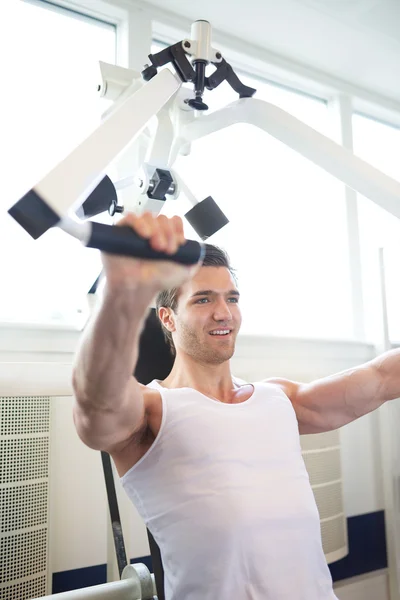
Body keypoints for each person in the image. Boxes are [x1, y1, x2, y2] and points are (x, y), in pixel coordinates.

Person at [72, 212, 399, 600]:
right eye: (203, 299)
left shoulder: (279, 399)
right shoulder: (151, 411)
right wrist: (122, 292)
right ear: (168, 318)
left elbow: (381, 379)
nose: (223, 312)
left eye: (231, 298)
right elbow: (95, 403)